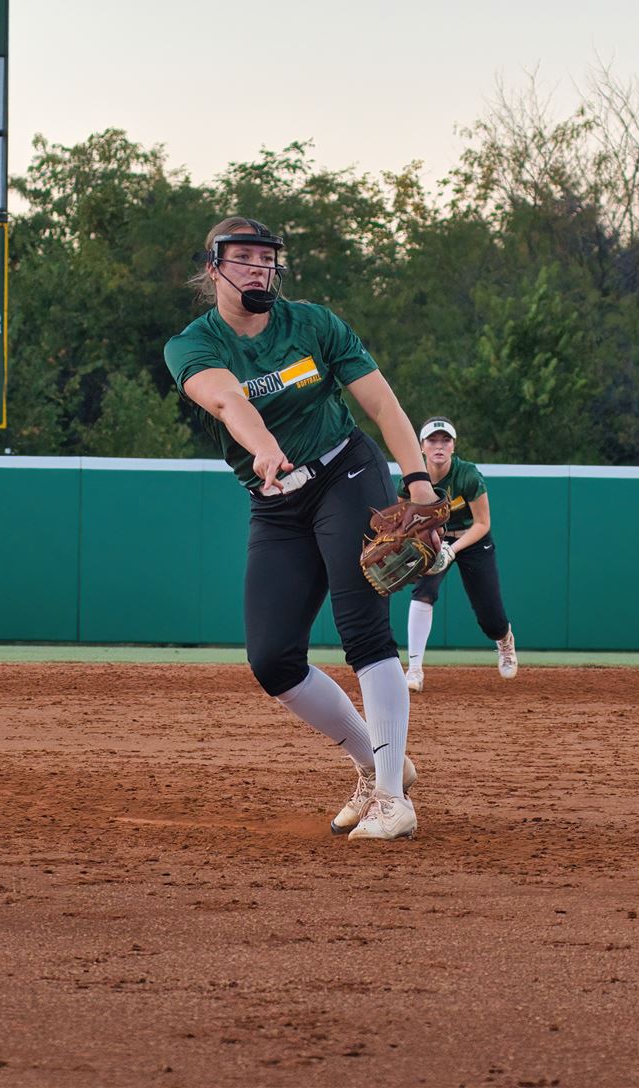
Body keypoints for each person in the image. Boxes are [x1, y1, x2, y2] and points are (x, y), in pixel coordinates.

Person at [164, 217, 444, 840]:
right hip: (276, 498)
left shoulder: (314, 324)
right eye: (243, 258)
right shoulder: (192, 344)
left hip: (345, 472)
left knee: (363, 632)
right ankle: (375, 764)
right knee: (273, 660)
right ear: (213, 268)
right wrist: (263, 446)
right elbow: (227, 400)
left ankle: (394, 801)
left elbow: (381, 404)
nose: (259, 268)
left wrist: (419, 481)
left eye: (267, 259)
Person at [403, 417, 517, 690]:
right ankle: (414, 669)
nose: (439, 446)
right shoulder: (413, 476)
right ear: (422, 447)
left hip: (471, 540)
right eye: (432, 440)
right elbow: (402, 519)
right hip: (432, 539)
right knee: (423, 593)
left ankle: (504, 641)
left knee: (490, 616)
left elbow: (482, 523)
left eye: (445, 440)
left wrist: (451, 550)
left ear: (454, 446)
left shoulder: (467, 474)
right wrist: (409, 545)